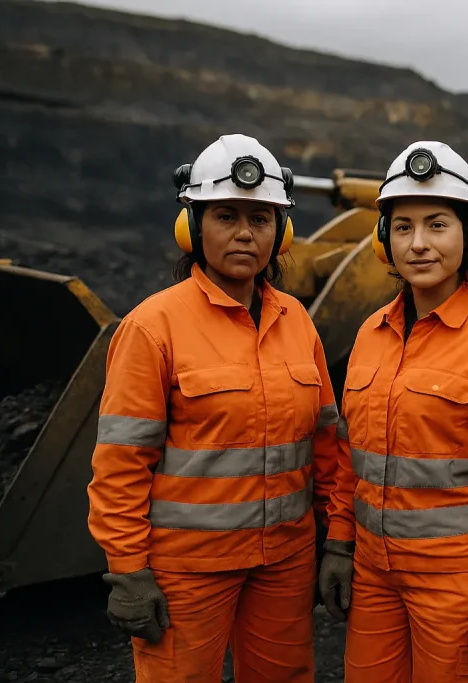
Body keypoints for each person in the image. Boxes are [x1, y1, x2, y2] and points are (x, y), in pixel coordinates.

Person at [86, 133, 345, 682]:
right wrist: (128, 572)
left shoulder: (296, 321)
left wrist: (337, 540)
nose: (246, 233)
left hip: (285, 561)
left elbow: (326, 445)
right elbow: (119, 467)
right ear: (193, 227)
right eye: (227, 216)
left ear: (281, 231)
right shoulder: (152, 328)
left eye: (262, 218)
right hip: (188, 570)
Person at [318, 140, 468, 682]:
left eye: (437, 224)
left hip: (459, 582)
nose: (419, 244)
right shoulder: (371, 335)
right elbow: (347, 457)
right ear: (384, 240)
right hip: (375, 576)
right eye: (402, 227)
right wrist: (338, 543)